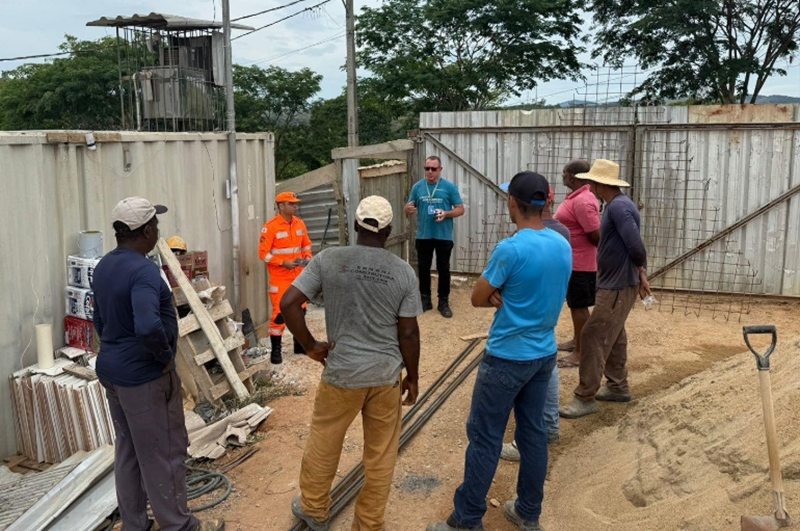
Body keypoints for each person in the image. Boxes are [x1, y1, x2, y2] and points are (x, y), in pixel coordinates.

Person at [428, 172, 572, 531]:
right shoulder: (562, 244)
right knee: (533, 433)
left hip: (507, 355)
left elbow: (477, 297)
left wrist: (498, 294)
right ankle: (528, 512)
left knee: (485, 435)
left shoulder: (511, 249)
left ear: (513, 203)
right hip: (544, 354)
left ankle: (466, 519)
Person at [281, 195, 422, 531]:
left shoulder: (328, 260)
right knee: (381, 453)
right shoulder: (403, 272)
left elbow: (288, 303)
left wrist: (311, 346)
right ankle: (369, 523)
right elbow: (409, 333)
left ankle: (314, 509)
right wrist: (412, 376)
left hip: (342, 374)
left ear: (356, 225)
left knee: (325, 440)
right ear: (388, 230)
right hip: (385, 376)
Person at [93, 197, 223, 531]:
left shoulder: (105, 265)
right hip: (144, 379)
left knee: (129, 450)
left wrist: (116, 349)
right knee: (164, 453)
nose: (158, 231)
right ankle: (179, 526)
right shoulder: (144, 271)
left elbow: (99, 320)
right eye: (156, 225)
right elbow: (148, 325)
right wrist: (164, 359)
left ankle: (135, 525)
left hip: (112, 372)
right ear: (146, 230)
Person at [559, 159, 651, 419]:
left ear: (600, 184)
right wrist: (638, 272)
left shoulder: (619, 208)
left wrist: (638, 270)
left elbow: (636, 247)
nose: (591, 186)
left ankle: (585, 397)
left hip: (617, 285)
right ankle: (617, 386)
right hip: (616, 283)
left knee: (592, 336)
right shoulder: (617, 205)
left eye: (592, 182)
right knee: (615, 334)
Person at [501, 186, 569, 461]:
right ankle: (550, 425)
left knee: (524, 383)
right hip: (546, 320)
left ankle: (526, 440)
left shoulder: (521, 240)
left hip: (521, 331)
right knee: (547, 366)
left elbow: (490, 290)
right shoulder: (561, 235)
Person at [404, 155, 465, 318]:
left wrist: (446, 213)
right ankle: (425, 300)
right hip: (424, 235)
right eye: (427, 168)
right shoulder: (418, 187)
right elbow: (409, 207)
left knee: (443, 268)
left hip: (443, 235)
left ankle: (443, 302)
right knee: (423, 268)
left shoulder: (449, 187)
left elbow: (460, 209)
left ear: (440, 170)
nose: (429, 172)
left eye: (433, 169)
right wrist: (407, 210)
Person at [553, 160, 600, 369]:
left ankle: (581, 353)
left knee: (580, 307)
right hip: (573, 262)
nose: (562, 176)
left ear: (573, 176)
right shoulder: (577, 197)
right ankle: (576, 341)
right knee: (575, 305)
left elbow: (595, 235)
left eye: (564, 173)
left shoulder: (583, 200)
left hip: (581, 264)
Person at [258, 191, 313, 365]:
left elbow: (306, 245)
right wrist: (282, 263)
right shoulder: (270, 227)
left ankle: (299, 344)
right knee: (279, 313)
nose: (295, 206)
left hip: (299, 275)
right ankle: (276, 350)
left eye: (295, 203)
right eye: (292, 203)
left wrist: (308, 258)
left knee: (301, 309)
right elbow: (263, 254)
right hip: (280, 278)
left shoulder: (299, 224)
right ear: (281, 206)